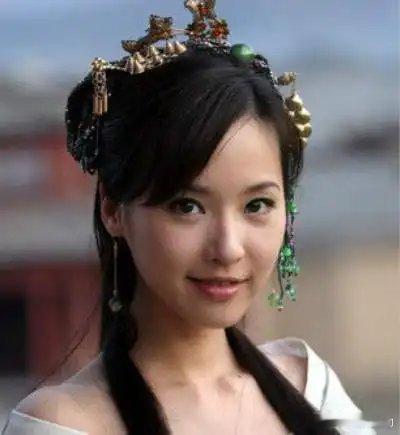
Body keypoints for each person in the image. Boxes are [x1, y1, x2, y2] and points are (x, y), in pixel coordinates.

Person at [2, 1, 376, 434]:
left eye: (257, 205)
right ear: (113, 209)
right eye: (187, 206)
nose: (228, 248)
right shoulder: (65, 423)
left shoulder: (312, 389)